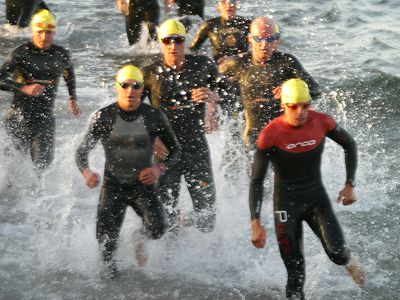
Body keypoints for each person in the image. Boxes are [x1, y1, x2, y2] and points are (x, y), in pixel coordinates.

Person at [249, 79, 365, 299]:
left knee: (338, 254)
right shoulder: (270, 134)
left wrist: (350, 184)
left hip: (315, 199)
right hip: (285, 204)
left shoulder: (323, 122)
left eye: (305, 105)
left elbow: (349, 144)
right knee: (295, 273)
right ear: (283, 105)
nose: (301, 112)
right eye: (293, 106)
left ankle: (350, 260)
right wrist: (255, 221)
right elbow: (256, 180)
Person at [76, 65, 182, 278]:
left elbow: (176, 150)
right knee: (106, 252)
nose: (130, 91)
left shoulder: (154, 116)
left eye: (136, 86)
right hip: (113, 187)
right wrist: (87, 172)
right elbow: (82, 151)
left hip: (143, 187)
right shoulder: (103, 116)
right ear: (117, 87)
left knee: (158, 230)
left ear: (142, 89)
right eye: (125, 85)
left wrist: (159, 168)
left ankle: (138, 237)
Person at [142, 19, 234, 233]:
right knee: (167, 220)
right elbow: (132, 112)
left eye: (178, 40)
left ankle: (192, 230)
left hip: (196, 148)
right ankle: (170, 253)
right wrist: (151, 139)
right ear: (161, 43)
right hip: (165, 152)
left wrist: (213, 96)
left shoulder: (203, 65)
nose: (173, 46)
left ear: (185, 42)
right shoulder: (149, 73)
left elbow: (230, 92)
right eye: (167, 41)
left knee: (207, 217)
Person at [219, 17, 321, 147]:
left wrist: (290, 88)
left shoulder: (287, 62)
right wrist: (212, 106)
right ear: (250, 39)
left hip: (282, 135)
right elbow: (212, 83)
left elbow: (315, 91)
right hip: (249, 135)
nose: (264, 45)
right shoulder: (237, 63)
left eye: (270, 39)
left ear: (277, 40)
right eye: (258, 39)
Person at [0, 9, 80, 173]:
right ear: (32, 31)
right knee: (12, 169)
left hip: (44, 119)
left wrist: (72, 97)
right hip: (18, 118)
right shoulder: (20, 53)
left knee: (43, 167)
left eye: (49, 32)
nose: (44, 37)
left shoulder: (61, 54)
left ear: (54, 32)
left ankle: (39, 199)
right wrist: (23, 88)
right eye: (40, 32)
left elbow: (68, 72)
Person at [189, 0, 251, 64]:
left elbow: (259, 46)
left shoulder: (247, 24)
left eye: (232, 1)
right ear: (218, 7)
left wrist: (242, 56)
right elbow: (192, 49)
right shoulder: (210, 25)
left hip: (242, 68)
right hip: (218, 68)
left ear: (236, 5)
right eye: (224, 1)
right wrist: (207, 62)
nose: (229, 4)